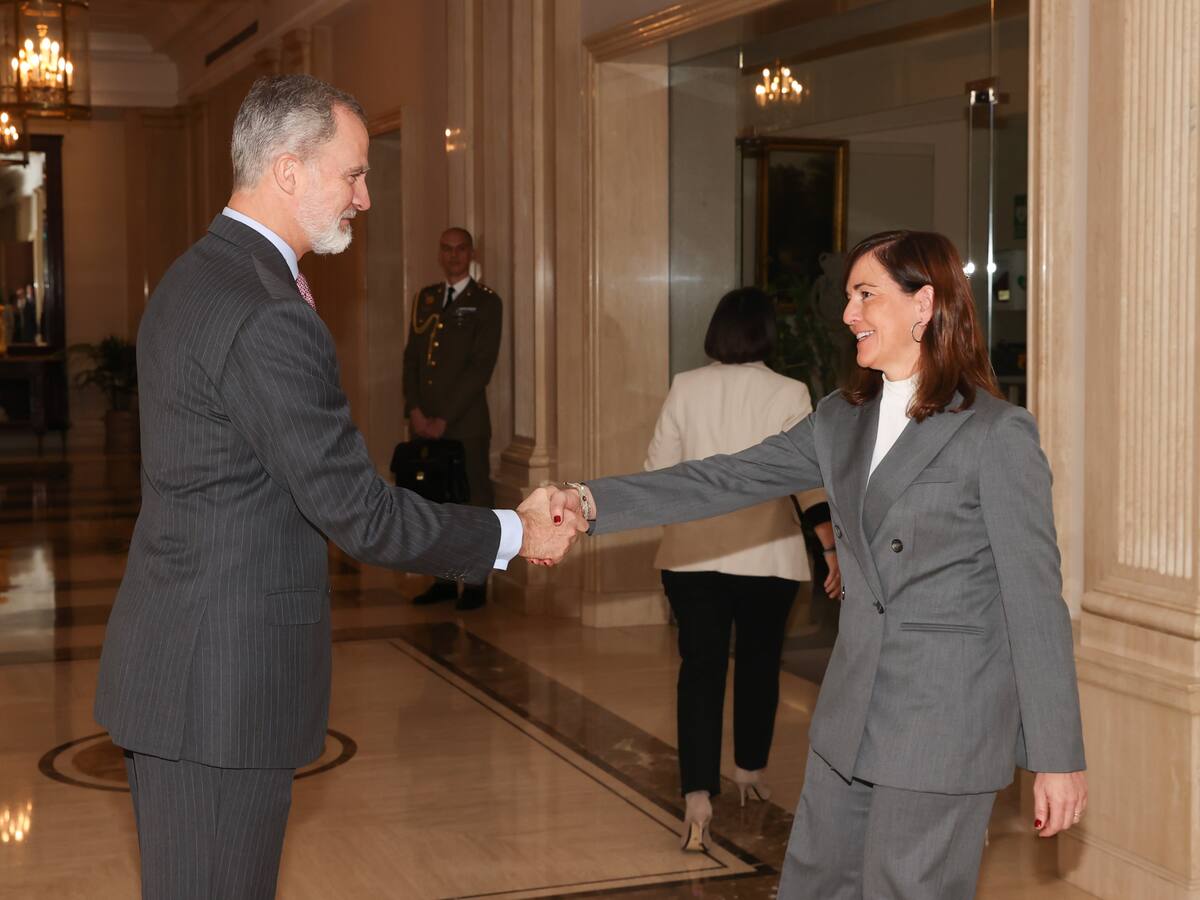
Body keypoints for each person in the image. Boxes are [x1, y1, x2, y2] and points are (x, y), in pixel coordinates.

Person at [93, 74, 583, 900]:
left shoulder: (194, 274)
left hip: (179, 662)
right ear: (287, 170)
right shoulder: (266, 309)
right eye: (353, 173)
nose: (364, 196)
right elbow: (359, 513)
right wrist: (516, 532)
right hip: (223, 684)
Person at [547, 230, 1087, 899]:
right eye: (847, 296)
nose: (847, 314)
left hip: (944, 724)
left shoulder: (994, 435)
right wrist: (589, 502)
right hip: (851, 716)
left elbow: (1035, 602)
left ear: (924, 304)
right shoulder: (841, 418)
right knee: (813, 887)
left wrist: (1056, 758)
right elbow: (724, 478)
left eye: (866, 295)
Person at [646, 286, 840, 852]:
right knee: (759, 665)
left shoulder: (686, 386)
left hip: (691, 557)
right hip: (768, 559)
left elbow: (657, 471)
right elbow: (808, 479)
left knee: (700, 669)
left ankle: (697, 797)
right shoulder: (789, 390)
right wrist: (830, 550)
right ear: (766, 334)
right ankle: (749, 772)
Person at [404, 226, 503, 610]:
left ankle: (475, 583)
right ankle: (443, 580)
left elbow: (480, 368)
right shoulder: (425, 299)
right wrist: (414, 409)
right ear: (439, 254)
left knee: (472, 501)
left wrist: (443, 418)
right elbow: (411, 360)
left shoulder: (486, 303)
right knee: (433, 502)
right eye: (446, 249)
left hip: (465, 425)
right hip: (424, 423)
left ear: (471, 253)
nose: (453, 256)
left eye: (460, 249)